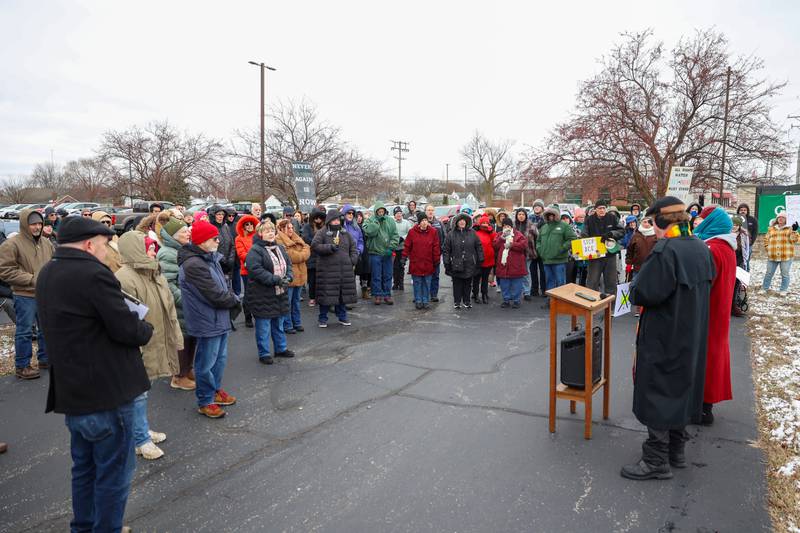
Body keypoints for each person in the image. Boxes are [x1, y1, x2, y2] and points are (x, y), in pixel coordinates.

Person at [37, 216, 154, 531]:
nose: (107, 252)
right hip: (107, 393)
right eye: (104, 246)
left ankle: (86, 527)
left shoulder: (48, 272)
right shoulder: (93, 273)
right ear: (90, 244)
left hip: (73, 393)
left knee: (85, 469)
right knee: (113, 473)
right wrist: (145, 327)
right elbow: (127, 329)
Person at [621, 196, 714, 481]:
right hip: (692, 333)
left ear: (663, 221)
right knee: (680, 389)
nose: (653, 229)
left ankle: (656, 460)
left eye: (653, 222)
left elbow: (643, 293)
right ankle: (677, 451)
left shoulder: (666, 251)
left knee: (657, 390)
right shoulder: (700, 247)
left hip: (664, 334)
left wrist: (635, 284)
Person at [115, 231, 182, 460]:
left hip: (156, 340)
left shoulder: (154, 272)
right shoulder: (124, 277)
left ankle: (140, 429)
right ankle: (139, 439)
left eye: (154, 246)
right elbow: (126, 318)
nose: (154, 249)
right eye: (149, 247)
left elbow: (168, 309)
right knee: (137, 393)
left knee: (143, 391)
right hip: (138, 345)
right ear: (136, 250)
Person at [178, 220, 240, 418]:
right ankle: (205, 400)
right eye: (214, 238)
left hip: (218, 318)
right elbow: (214, 294)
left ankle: (214, 391)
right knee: (205, 364)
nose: (218, 240)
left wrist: (230, 297)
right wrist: (235, 300)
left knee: (219, 360)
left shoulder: (209, 258)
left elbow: (223, 285)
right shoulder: (193, 264)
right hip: (206, 321)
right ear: (202, 241)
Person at [694, 206, 737, 425]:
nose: (696, 222)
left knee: (704, 358)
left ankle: (702, 408)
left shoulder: (711, 248)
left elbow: (698, 284)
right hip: (717, 311)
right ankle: (704, 405)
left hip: (706, 312)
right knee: (713, 355)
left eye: (701, 219)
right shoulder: (725, 247)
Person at [0, 209, 54, 380]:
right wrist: (32, 279)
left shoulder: (47, 243)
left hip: (45, 294)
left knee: (46, 329)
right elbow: (5, 270)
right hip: (24, 294)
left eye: (39, 223)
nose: (37, 227)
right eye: (33, 224)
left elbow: (54, 263)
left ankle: (45, 359)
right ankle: (22, 366)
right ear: (25, 224)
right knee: (24, 332)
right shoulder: (11, 244)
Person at [245, 221, 294, 364]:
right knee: (263, 327)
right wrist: (275, 279)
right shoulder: (255, 250)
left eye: (272, 230)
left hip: (279, 293)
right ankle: (264, 353)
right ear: (260, 234)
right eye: (266, 231)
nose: (270, 233)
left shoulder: (280, 248)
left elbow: (288, 264)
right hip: (262, 295)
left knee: (279, 323)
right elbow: (255, 270)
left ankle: (281, 348)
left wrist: (289, 276)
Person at [157, 216, 197, 391]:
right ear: (172, 236)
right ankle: (179, 376)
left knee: (190, 339)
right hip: (180, 305)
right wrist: (186, 298)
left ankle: (187, 370)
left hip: (188, 304)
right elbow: (168, 284)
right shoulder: (168, 253)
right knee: (181, 342)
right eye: (183, 232)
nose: (188, 233)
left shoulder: (181, 250)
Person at [312, 209, 359, 327]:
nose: (337, 222)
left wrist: (352, 260)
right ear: (329, 221)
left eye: (338, 219)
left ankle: (342, 317)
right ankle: (322, 319)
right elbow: (315, 245)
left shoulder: (345, 233)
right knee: (326, 296)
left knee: (341, 296)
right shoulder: (322, 232)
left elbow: (354, 248)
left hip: (344, 271)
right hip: (327, 271)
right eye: (334, 220)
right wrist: (329, 247)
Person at [536, 205, 577, 307]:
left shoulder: (564, 226)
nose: (551, 217)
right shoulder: (544, 227)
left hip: (559, 260)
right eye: (548, 215)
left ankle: (560, 302)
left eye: (553, 215)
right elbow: (538, 241)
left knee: (560, 282)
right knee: (549, 281)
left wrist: (561, 249)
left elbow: (572, 238)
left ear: (557, 215)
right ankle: (550, 301)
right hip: (547, 260)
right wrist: (541, 251)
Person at [582, 200, 623, 296]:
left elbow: (622, 230)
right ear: (595, 209)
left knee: (611, 281)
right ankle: (592, 304)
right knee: (592, 281)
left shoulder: (612, 218)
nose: (602, 210)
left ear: (606, 209)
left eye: (604, 208)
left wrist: (611, 234)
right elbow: (584, 233)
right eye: (599, 208)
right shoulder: (589, 219)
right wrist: (584, 240)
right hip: (595, 255)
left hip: (610, 254)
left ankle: (610, 306)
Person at [276, 218, 310, 333]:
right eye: (288, 228)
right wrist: (302, 255)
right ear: (281, 228)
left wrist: (301, 254)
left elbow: (307, 248)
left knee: (296, 302)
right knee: (288, 302)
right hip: (289, 276)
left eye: (292, 228)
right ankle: (288, 325)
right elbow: (290, 256)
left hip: (300, 275)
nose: (291, 230)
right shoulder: (278, 240)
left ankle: (297, 322)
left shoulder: (296, 238)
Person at [362, 202, 399, 305]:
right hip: (375, 253)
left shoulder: (390, 221)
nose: (381, 213)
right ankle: (377, 295)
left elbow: (395, 236)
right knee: (376, 276)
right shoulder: (370, 220)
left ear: (385, 211)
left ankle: (387, 295)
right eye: (379, 211)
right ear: (376, 211)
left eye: (382, 211)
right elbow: (369, 232)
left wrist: (391, 248)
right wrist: (376, 222)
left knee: (388, 275)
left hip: (387, 253)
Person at [444, 213, 483, 309]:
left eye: (463, 220)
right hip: (456, 263)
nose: (462, 222)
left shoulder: (472, 233)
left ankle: (467, 301)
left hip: (470, 262)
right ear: (456, 222)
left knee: (467, 283)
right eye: (460, 220)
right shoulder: (451, 234)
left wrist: (480, 259)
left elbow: (478, 246)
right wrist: (447, 262)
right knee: (457, 283)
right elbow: (446, 249)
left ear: (467, 222)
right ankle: (457, 301)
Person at [403, 212, 441, 309]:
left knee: (427, 283)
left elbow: (436, 246)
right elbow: (407, 245)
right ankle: (418, 300)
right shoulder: (412, 232)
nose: (424, 222)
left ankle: (425, 300)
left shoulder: (433, 232)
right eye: (422, 221)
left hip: (428, 262)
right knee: (417, 283)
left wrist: (436, 259)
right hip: (416, 262)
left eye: (426, 220)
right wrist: (403, 257)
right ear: (419, 222)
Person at [494, 217, 529, 309]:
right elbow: (495, 246)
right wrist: (501, 239)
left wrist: (512, 244)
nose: (507, 227)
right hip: (503, 265)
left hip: (516, 264)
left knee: (517, 284)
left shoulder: (518, 235)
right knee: (504, 284)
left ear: (512, 226)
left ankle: (516, 300)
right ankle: (506, 300)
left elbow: (524, 245)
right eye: (505, 226)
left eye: (508, 225)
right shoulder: (499, 235)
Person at [762, 212, 799, 293]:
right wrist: (768, 248)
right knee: (768, 273)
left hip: (786, 256)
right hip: (772, 256)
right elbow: (766, 239)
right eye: (779, 217)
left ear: (786, 220)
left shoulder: (790, 228)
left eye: (783, 217)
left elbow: (795, 240)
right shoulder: (771, 229)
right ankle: (764, 288)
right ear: (777, 219)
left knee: (785, 274)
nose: (781, 219)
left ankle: (783, 290)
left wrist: (794, 231)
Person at [234, 214, 260, 328]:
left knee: (259, 293)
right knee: (249, 294)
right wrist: (255, 256)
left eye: (251, 224)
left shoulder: (258, 236)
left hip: (259, 268)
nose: (249, 226)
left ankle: (258, 315)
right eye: (246, 224)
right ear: (243, 226)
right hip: (247, 270)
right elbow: (241, 254)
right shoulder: (239, 238)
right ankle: (248, 317)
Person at [513, 208, 540, 301]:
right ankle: (516, 292)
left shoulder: (531, 226)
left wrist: (535, 249)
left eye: (523, 214)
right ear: (516, 215)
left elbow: (538, 238)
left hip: (527, 253)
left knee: (526, 272)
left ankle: (527, 292)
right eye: (519, 214)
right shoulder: (513, 226)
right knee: (515, 273)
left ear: (526, 216)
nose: (521, 216)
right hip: (515, 253)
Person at [301, 208, 326, 306]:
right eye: (316, 217)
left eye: (320, 217)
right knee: (312, 279)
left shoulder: (324, 227)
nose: (318, 219)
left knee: (322, 279)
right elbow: (305, 238)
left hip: (323, 256)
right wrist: (317, 244)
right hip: (312, 256)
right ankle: (312, 297)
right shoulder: (307, 227)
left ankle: (320, 297)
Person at [424, 204, 446, 302]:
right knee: (424, 275)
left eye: (432, 210)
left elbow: (444, 238)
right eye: (428, 210)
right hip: (425, 255)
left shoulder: (439, 223)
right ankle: (425, 294)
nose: (430, 212)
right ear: (425, 211)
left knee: (435, 275)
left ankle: (434, 294)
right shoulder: (422, 223)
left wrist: (441, 249)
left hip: (436, 254)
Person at [471, 215, 495, 304]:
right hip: (478, 260)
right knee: (476, 279)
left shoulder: (490, 232)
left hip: (488, 260)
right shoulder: (475, 232)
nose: (485, 225)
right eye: (483, 223)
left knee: (485, 279)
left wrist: (491, 231)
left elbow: (495, 241)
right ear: (480, 224)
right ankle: (476, 294)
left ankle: (484, 294)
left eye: (486, 223)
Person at [730, 215, 750, 317]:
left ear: (739, 226)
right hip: (728, 262)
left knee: (736, 286)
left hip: (738, 263)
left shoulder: (743, 235)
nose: (734, 226)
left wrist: (743, 264)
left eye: (736, 225)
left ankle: (734, 306)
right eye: (733, 224)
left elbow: (746, 250)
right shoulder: (726, 234)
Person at [208, 205, 235, 275]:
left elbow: (232, 244)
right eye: (218, 214)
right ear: (213, 215)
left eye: (223, 214)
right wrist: (222, 260)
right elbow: (209, 247)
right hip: (216, 264)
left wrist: (231, 259)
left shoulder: (226, 227)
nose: (221, 216)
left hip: (228, 265)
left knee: (228, 285)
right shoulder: (210, 228)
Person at [528, 200, 547, 297]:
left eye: (539, 206)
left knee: (543, 270)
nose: (537, 208)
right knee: (533, 270)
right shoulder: (529, 218)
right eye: (535, 206)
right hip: (531, 247)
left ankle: (544, 289)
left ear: (542, 208)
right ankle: (534, 289)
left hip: (542, 247)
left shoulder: (545, 218)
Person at [392, 206, 413, 291]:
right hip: (394, 248)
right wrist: (396, 239)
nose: (399, 215)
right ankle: (395, 283)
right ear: (394, 215)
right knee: (394, 266)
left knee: (401, 266)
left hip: (403, 248)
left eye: (400, 213)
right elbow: (390, 233)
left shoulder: (406, 223)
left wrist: (403, 238)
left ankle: (401, 283)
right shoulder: (392, 223)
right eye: (397, 213)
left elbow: (410, 233)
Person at [355, 210, 372, 299]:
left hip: (364, 251)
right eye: (357, 216)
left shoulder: (365, 227)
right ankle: (352, 291)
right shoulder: (352, 227)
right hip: (355, 251)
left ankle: (364, 290)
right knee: (352, 272)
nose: (359, 218)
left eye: (360, 216)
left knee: (365, 272)